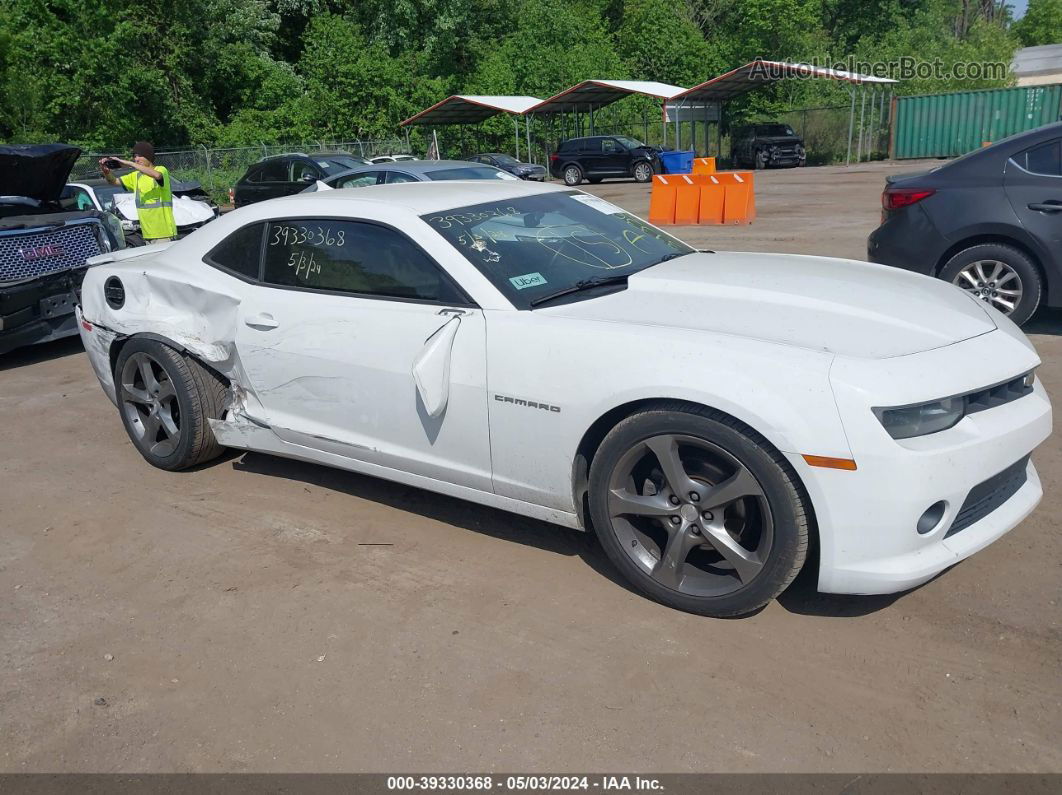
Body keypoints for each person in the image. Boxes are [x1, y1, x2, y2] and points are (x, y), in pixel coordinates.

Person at [98, 141, 177, 244]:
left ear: (148, 156)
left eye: (140, 156)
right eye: (134, 156)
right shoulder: (136, 176)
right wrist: (106, 172)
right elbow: (114, 181)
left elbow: (157, 176)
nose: (136, 159)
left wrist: (130, 163)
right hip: (147, 235)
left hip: (164, 234)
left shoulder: (161, 170)